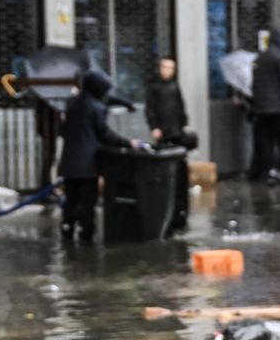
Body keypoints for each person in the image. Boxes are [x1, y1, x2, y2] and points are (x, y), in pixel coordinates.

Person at [58, 67, 129, 242]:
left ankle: (67, 227)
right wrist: (128, 143)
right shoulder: (97, 108)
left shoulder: (72, 104)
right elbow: (105, 134)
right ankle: (86, 232)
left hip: (69, 163)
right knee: (87, 201)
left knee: (71, 199)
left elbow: (63, 130)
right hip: (87, 165)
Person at [248, 32, 280, 184]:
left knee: (266, 142)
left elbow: (254, 84)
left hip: (261, 108)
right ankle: (277, 167)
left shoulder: (260, 58)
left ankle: (266, 171)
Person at [144, 56, 194, 152]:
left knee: (179, 152)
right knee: (163, 152)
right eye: (165, 67)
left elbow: (180, 105)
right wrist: (154, 127)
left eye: (171, 68)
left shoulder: (174, 85)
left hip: (177, 128)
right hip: (162, 128)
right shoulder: (153, 86)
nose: (168, 70)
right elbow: (149, 109)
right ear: (160, 68)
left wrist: (185, 123)